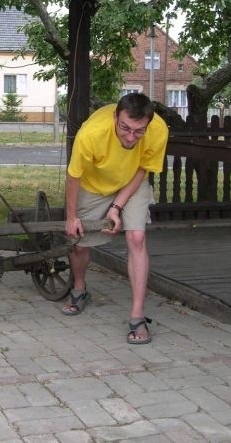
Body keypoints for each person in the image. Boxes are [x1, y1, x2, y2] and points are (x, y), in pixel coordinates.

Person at [62, 93, 168, 344]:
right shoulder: (91, 134)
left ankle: (137, 316)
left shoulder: (158, 130)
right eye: (125, 128)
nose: (131, 137)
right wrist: (71, 216)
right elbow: (74, 176)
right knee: (79, 242)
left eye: (138, 131)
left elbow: (143, 167)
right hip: (92, 183)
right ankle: (79, 289)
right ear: (115, 118)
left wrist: (117, 206)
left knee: (137, 237)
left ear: (148, 125)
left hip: (132, 181)